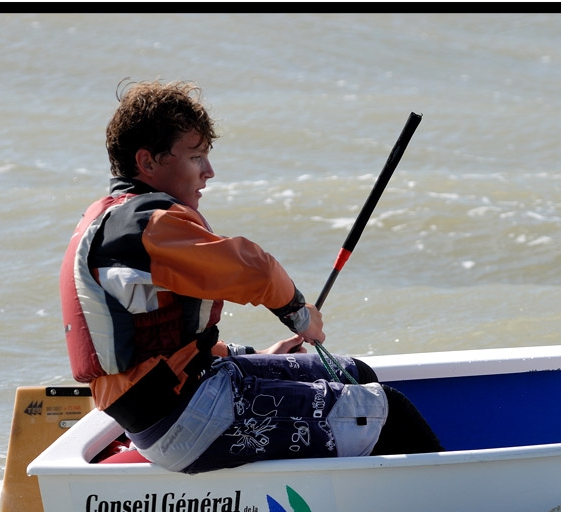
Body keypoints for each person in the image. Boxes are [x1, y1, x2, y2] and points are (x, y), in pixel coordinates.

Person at [60, 79, 441, 473]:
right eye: (195, 158)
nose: (209, 172)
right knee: (390, 412)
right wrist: (299, 313)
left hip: (177, 401)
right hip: (186, 419)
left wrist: (255, 356)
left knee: (352, 374)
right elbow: (254, 268)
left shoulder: (111, 219)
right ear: (148, 162)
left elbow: (166, 346)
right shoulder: (145, 225)